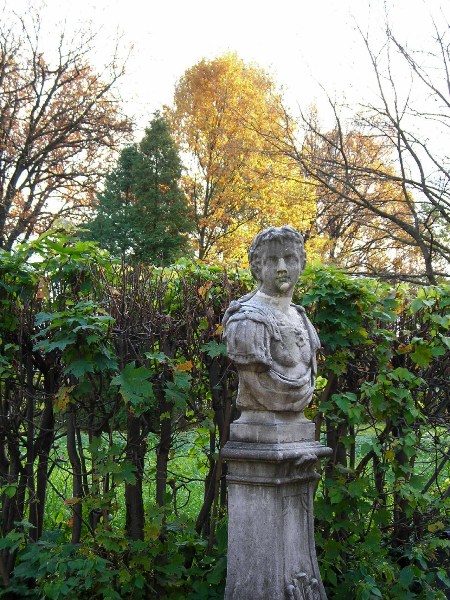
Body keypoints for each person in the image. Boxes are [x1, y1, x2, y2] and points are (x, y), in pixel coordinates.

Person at [223, 226, 320, 412]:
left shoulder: (302, 318)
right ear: (257, 267)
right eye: (273, 260)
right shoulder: (246, 320)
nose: (282, 268)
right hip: (260, 420)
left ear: (302, 265)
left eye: (290, 259)